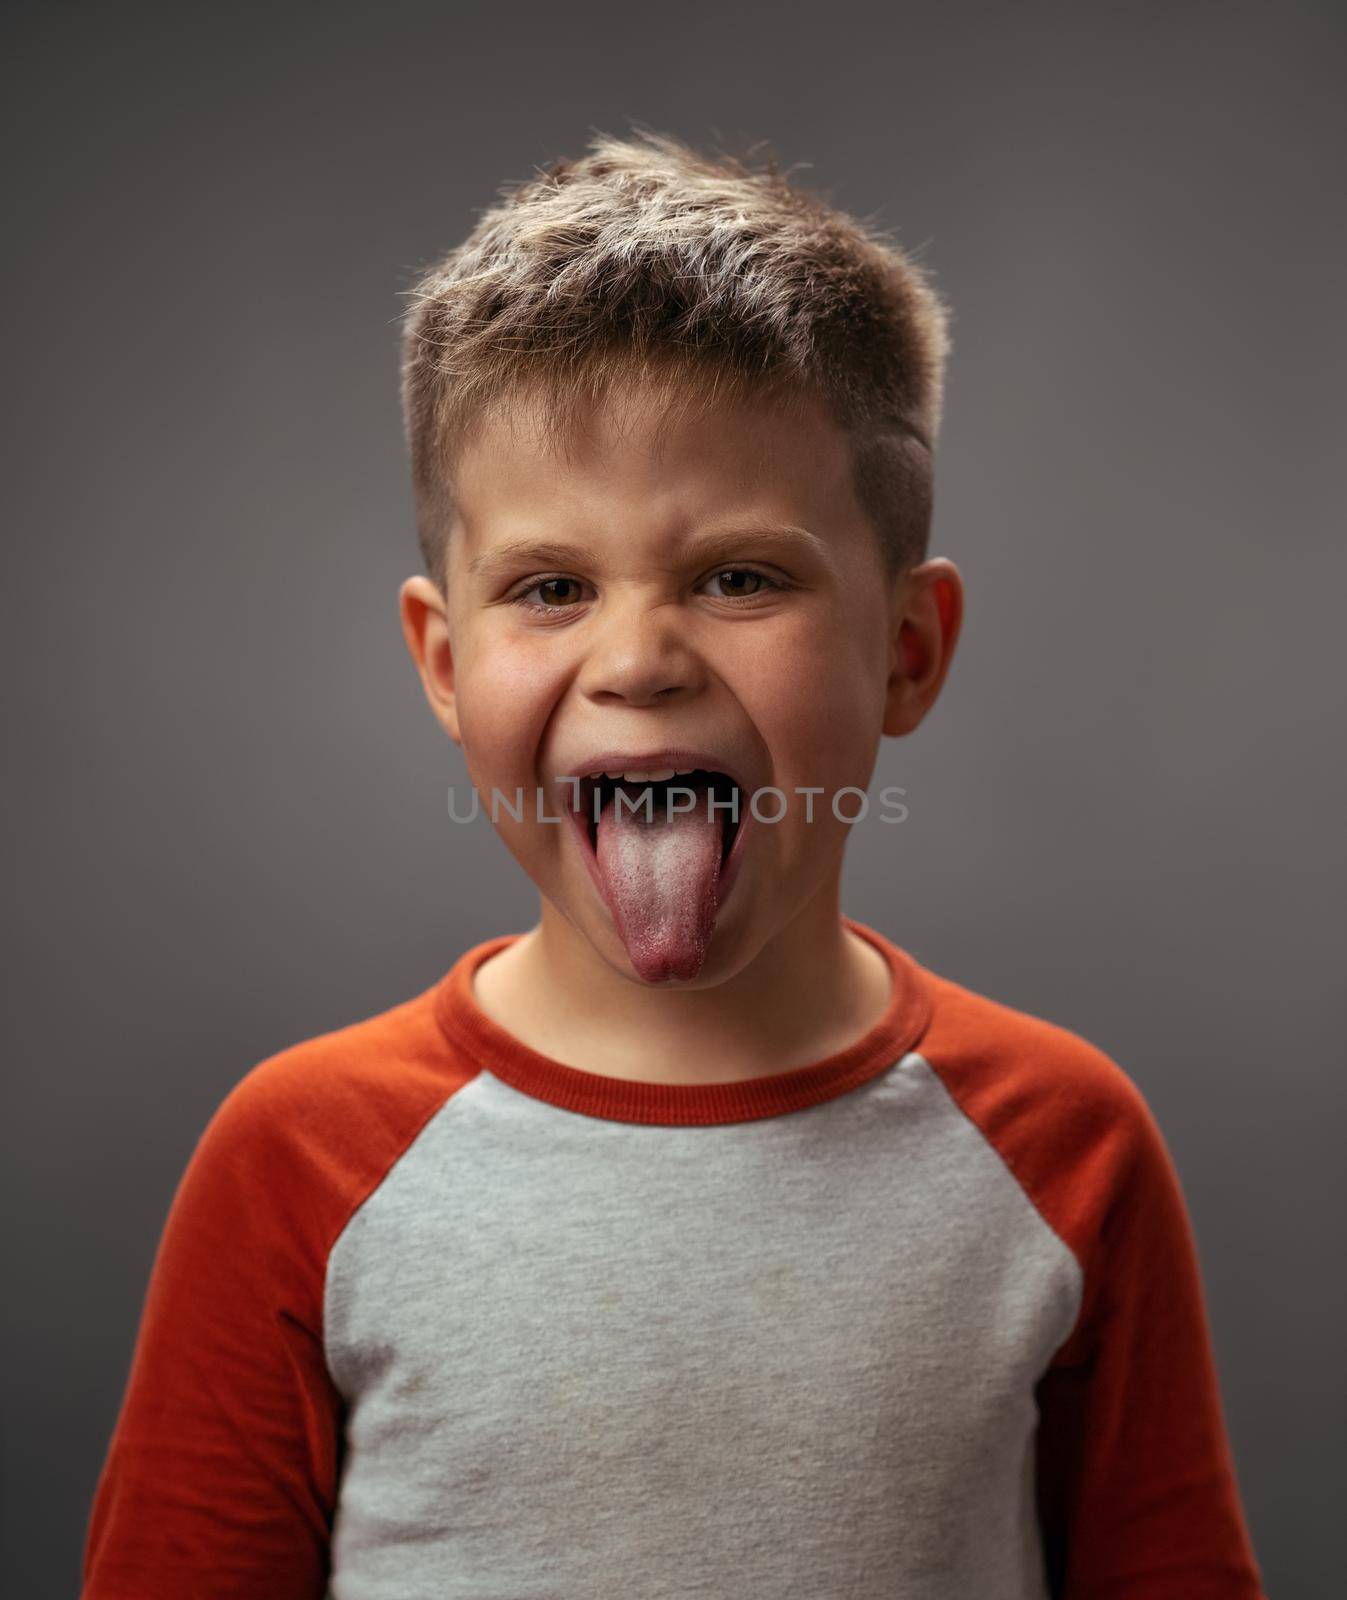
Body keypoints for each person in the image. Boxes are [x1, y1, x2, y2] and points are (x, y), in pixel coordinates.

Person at [82, 129, 1267, 1598]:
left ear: (906, 651)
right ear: (444, 667)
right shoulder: (298, 1160)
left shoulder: (1064, 1146)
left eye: (740, 577)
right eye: (552, 588)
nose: (637, 660)